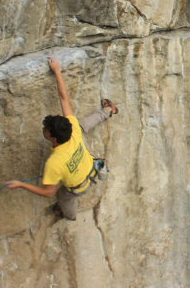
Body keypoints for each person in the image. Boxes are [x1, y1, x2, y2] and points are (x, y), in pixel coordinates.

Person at [6, 56, 117, 221]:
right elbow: (63, 97)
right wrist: (57, 70)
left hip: (79, 186)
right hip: (91, 166)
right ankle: (108, 111)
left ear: (54, 139)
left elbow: (47, 192)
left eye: (46, 131)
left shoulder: (54, 162)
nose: (44, 130)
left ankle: (69, 215)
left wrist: (21, 184)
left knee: (63, 197)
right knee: (80, 126)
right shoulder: (71, 128)